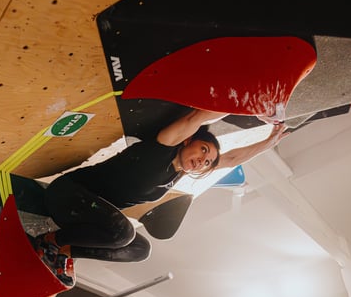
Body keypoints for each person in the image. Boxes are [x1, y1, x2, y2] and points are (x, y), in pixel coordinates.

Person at [30, 108, 288, 278]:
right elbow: (197, 117)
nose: (203, 160)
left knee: (139, 249)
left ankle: (64, 251)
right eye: (203, 150)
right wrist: (248, 108)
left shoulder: (178, 174)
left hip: (84, 215)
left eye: (208, 162)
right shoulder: (163, 147)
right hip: (67, 194)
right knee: (124, 233)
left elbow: (231, 158)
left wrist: (268, 143)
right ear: (188, 140)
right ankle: (49, 241)